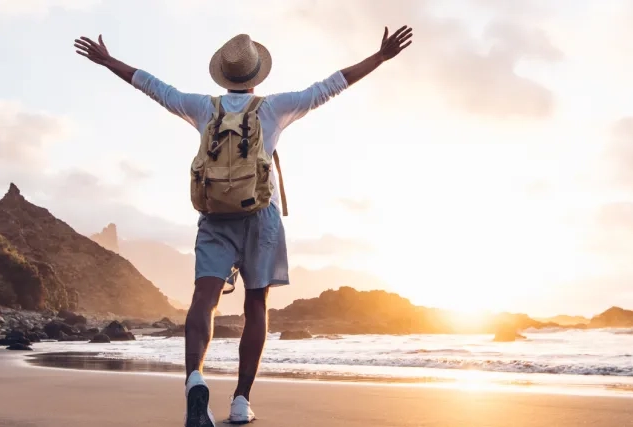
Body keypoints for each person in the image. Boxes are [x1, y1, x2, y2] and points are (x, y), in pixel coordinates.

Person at [73, 25, 413, 426]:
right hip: (260, 216)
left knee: (205, 298)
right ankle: (239, 401)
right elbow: (331, 85)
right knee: (256, 304)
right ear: (255, 77)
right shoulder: (274, 108)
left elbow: (152, 86)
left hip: (215, 215)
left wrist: (108, 60)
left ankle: (195, 379)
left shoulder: (203, 108)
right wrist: (379, 57)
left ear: (224, 75)